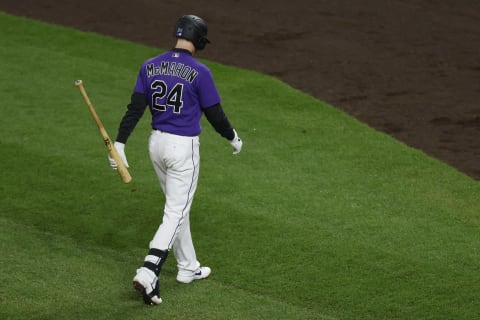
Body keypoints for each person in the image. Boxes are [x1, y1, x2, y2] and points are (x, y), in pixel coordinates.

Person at [108, 14, 243, 305]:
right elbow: (215, 114)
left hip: (155, 145)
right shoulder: (200, 71)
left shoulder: (149, 65)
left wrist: (119, 144)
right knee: (176, 212)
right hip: (182, 149)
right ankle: (149, 270)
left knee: (177, 207)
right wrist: (233, 137)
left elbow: (135, 109)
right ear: (199, 41)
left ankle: (188, 267)